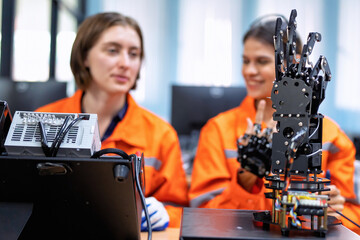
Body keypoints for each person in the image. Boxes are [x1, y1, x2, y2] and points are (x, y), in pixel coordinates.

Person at [188, 14, 360, 234]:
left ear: (293, 64)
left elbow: (354, 217)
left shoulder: (330, 135)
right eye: (245, 61)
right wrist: (246, 179)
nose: (249, 71)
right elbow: (202, 215)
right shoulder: (218, 131)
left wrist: (335, 211)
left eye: (261, 61)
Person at [36, 12, 188, 230]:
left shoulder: (161, 133)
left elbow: (179, 209)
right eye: (113, 50)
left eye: (134, 54)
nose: (125, 63)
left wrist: (166, 214)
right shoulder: (44, 121)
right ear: (84, 57)